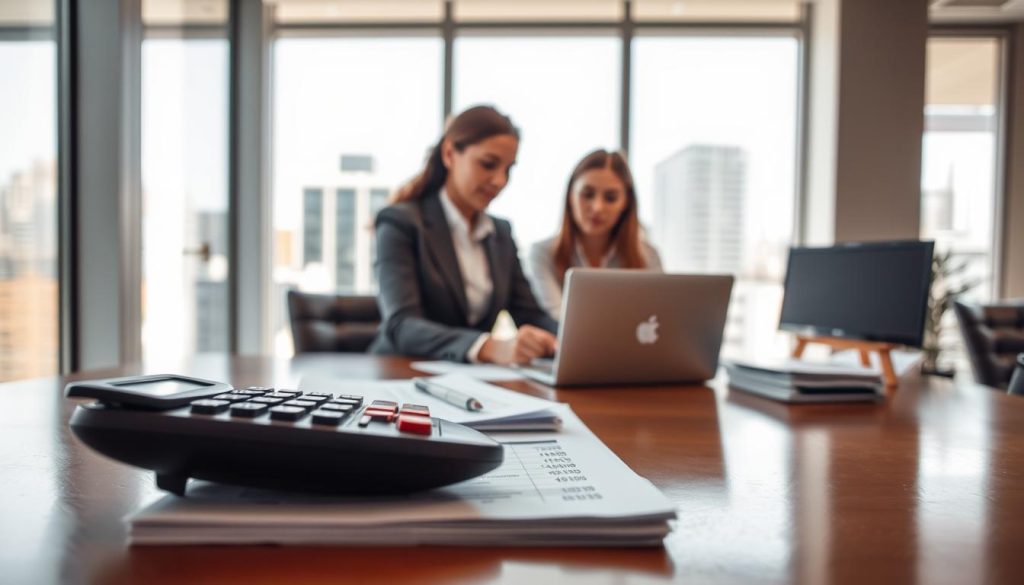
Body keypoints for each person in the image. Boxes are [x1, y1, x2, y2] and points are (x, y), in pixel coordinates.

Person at [370, 105, 558, 365]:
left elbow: (530, 314)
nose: (499, 180)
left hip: (472, 382)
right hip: (400, 375)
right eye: (488, 164)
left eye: (508, 169)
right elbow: (402, 325)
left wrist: (564, 340)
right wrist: (486, 347)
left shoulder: (501, 233)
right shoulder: (400, 222)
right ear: (449, 154)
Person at [527, 148, 662, 320]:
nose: (597, 207)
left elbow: (657, 319)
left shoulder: (649, 256)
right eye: (587, 194)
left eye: (610, 198)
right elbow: (559, 318)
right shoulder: (542, 253)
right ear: (570, 197)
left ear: (626, 203)